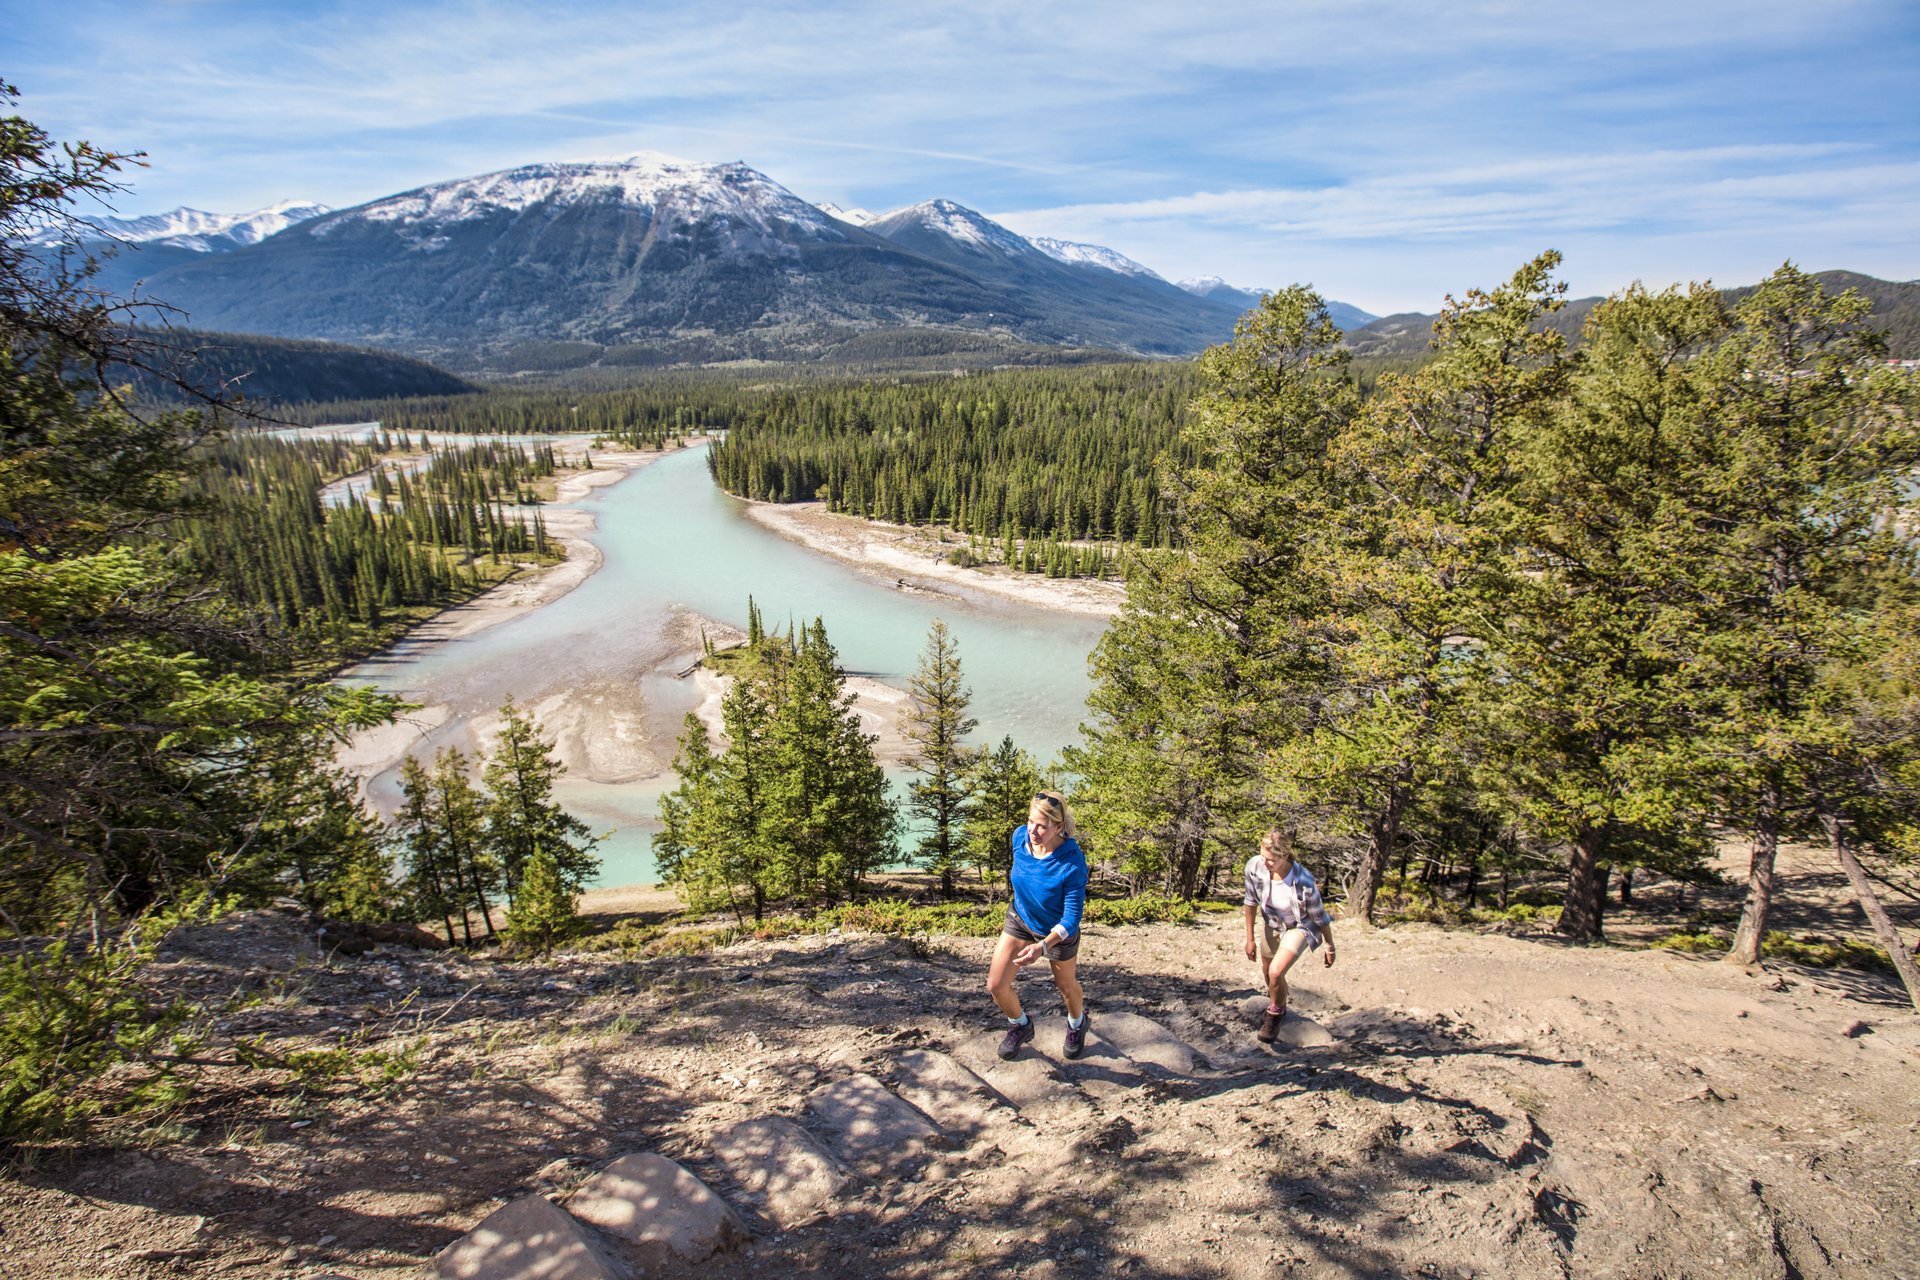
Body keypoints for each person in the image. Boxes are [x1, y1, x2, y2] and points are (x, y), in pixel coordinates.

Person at [987, 790, 1091, 1060]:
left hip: (1056, 932)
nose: (1033, 830)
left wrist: (1042, 947)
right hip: (1020, 919)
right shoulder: (1019, 837)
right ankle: (1020, 1026)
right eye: (1031, 822)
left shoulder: (1071, 863)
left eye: (1042, 826)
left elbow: (1071, 919)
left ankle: (1077, 1024)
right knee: (996, 985)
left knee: (1066, 986)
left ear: (1058, 827)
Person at [1243, 827, 1335, 1044]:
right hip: (1273, 922)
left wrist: (1329, 944)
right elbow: (1250, 902)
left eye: (1271, 860)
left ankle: (1275, 1015)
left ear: (1284, 855)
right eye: (1264, 857)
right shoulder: (1254, 866)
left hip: (1300, 926)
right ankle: (1278, 1003)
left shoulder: (1303, 879)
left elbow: (1319, 915)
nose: (1266, 863)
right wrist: (1249, 939)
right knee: (1268, 973)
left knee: (1276, 972)